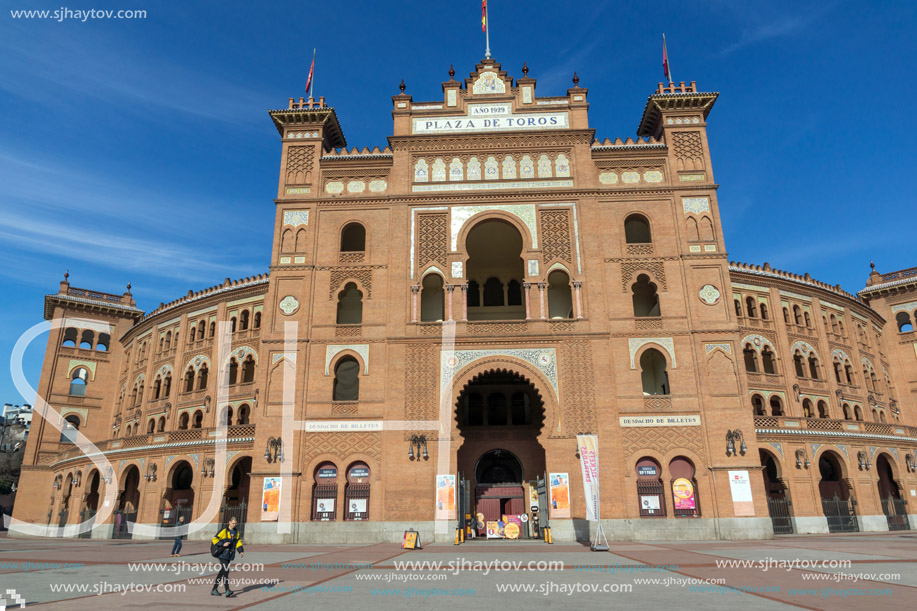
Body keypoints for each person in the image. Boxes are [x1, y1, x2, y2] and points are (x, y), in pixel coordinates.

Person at [211, 517, 244, 597]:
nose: (234, 525)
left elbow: (238, 541)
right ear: (229, 522)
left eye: (235, 523)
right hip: (222, 554)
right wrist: (222, 544)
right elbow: (214, 539)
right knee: (226, 571)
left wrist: (241, 551)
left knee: (222, 572)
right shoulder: (224, 530)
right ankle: (227, 590)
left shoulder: (236, 532)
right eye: (233, 523)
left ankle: (214, 589)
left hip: (230, 554)